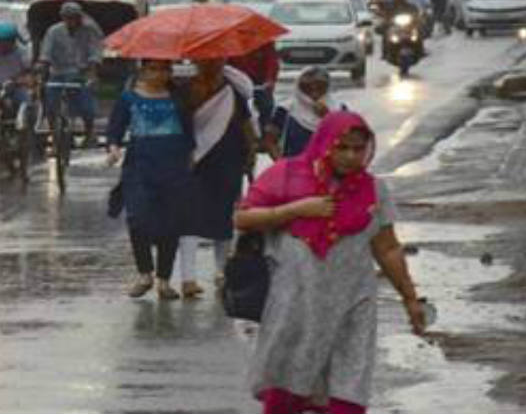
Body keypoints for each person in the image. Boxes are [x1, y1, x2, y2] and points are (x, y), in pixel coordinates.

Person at [234, 111, 426, 414]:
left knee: (348, 386)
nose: (351, 156)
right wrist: (296, 209)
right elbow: (243, 218)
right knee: (288, 382)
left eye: (358, 149)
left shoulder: (373, 190)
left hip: (353, 303)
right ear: (324, 143)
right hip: (298, 302)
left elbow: (387, 248)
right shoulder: (287, 174)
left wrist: (410, 299)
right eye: (342, 147)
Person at [106, 60, 194, 300]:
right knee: (138, 219)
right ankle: (145, 273)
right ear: (143, 71)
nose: (159, 74)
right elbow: (115, 129)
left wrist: (191, 158)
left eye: (164, 69)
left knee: (170, 224)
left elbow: (189, 132)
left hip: (173, 168)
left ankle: (164, 281)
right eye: (154, 68)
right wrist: (113, 149)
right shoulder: (128, 98)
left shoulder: (178, 99)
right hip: (139, 167)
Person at [177, 60, 258, 296]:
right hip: (194, 161)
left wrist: (250, 151)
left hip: (228, 159)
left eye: (215, 59)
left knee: (223, 217)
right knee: (189, 217)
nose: (210, 65)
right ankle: (188, 278)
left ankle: (221, 272)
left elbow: (245, 124)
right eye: (205, 60)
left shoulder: (232, 91)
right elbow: (180, 124)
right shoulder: (185, 91)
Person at [38, 1, 104, 147]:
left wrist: (92, 74)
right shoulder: (53, 31)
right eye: (68, 17)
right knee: (50, 101)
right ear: (63, 18)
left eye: (74, 17)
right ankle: (53, 131)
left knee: (87, 104)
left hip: (80, 72)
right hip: (57, 71)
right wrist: (41, 75)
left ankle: (89, 132)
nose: (71, 21)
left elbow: (95, 53)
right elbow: (46, 55)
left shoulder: (90, 30)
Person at [262, 66, 347, 160]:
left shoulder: (339, 109)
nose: (314, 91)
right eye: (308, 87)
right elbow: (270, 140)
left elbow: (349, 138)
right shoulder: (286, 109)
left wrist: (329, 117)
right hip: (295, 170)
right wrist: (281, 164)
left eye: (320, 86)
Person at [229, 42, 280, 132]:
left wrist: (270, 80)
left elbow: (272, 61)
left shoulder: (264, 40)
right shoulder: (230, 41)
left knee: (266, 106)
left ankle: (264, 132)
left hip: (258, 82)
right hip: (236, 80)